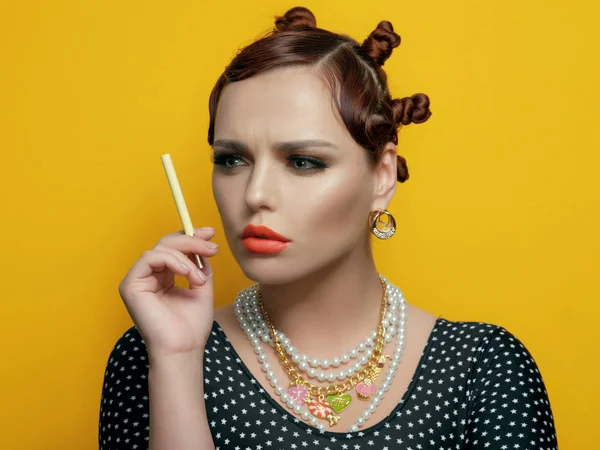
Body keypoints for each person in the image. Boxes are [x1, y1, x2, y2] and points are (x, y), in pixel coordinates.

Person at [98, 6, 558, 449]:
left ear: (381, 176)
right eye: (232, 159)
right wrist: (177, 361)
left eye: (303, 161)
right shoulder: (155, 351)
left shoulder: (483, 368)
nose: (255, 193)